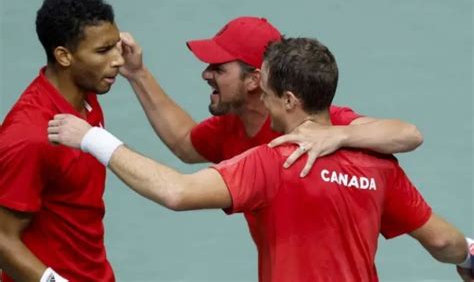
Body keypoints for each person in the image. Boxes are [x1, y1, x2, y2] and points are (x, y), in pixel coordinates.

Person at [48, 37, 473, 282]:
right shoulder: (378, 163)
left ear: (288, 99)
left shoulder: (272, 162)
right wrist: (468, 257)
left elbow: (175, 191)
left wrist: (92, 138)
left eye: (266, 92)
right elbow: (443, 241)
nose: (262, 100)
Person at [119, 16, 424, 178]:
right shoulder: (232, 127)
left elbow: (408, 134)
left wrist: (337, 135)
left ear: (254, 79)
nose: (205, 74)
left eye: (218, 67)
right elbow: (185, 144)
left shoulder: (315, 123)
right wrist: (137, 74)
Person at [0, 0, 123, 281]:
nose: (118, 60)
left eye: (116, 45)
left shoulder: (85, 99)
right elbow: (2, 239)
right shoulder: (29, 136)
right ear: (64, 56)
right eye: (104, 51)